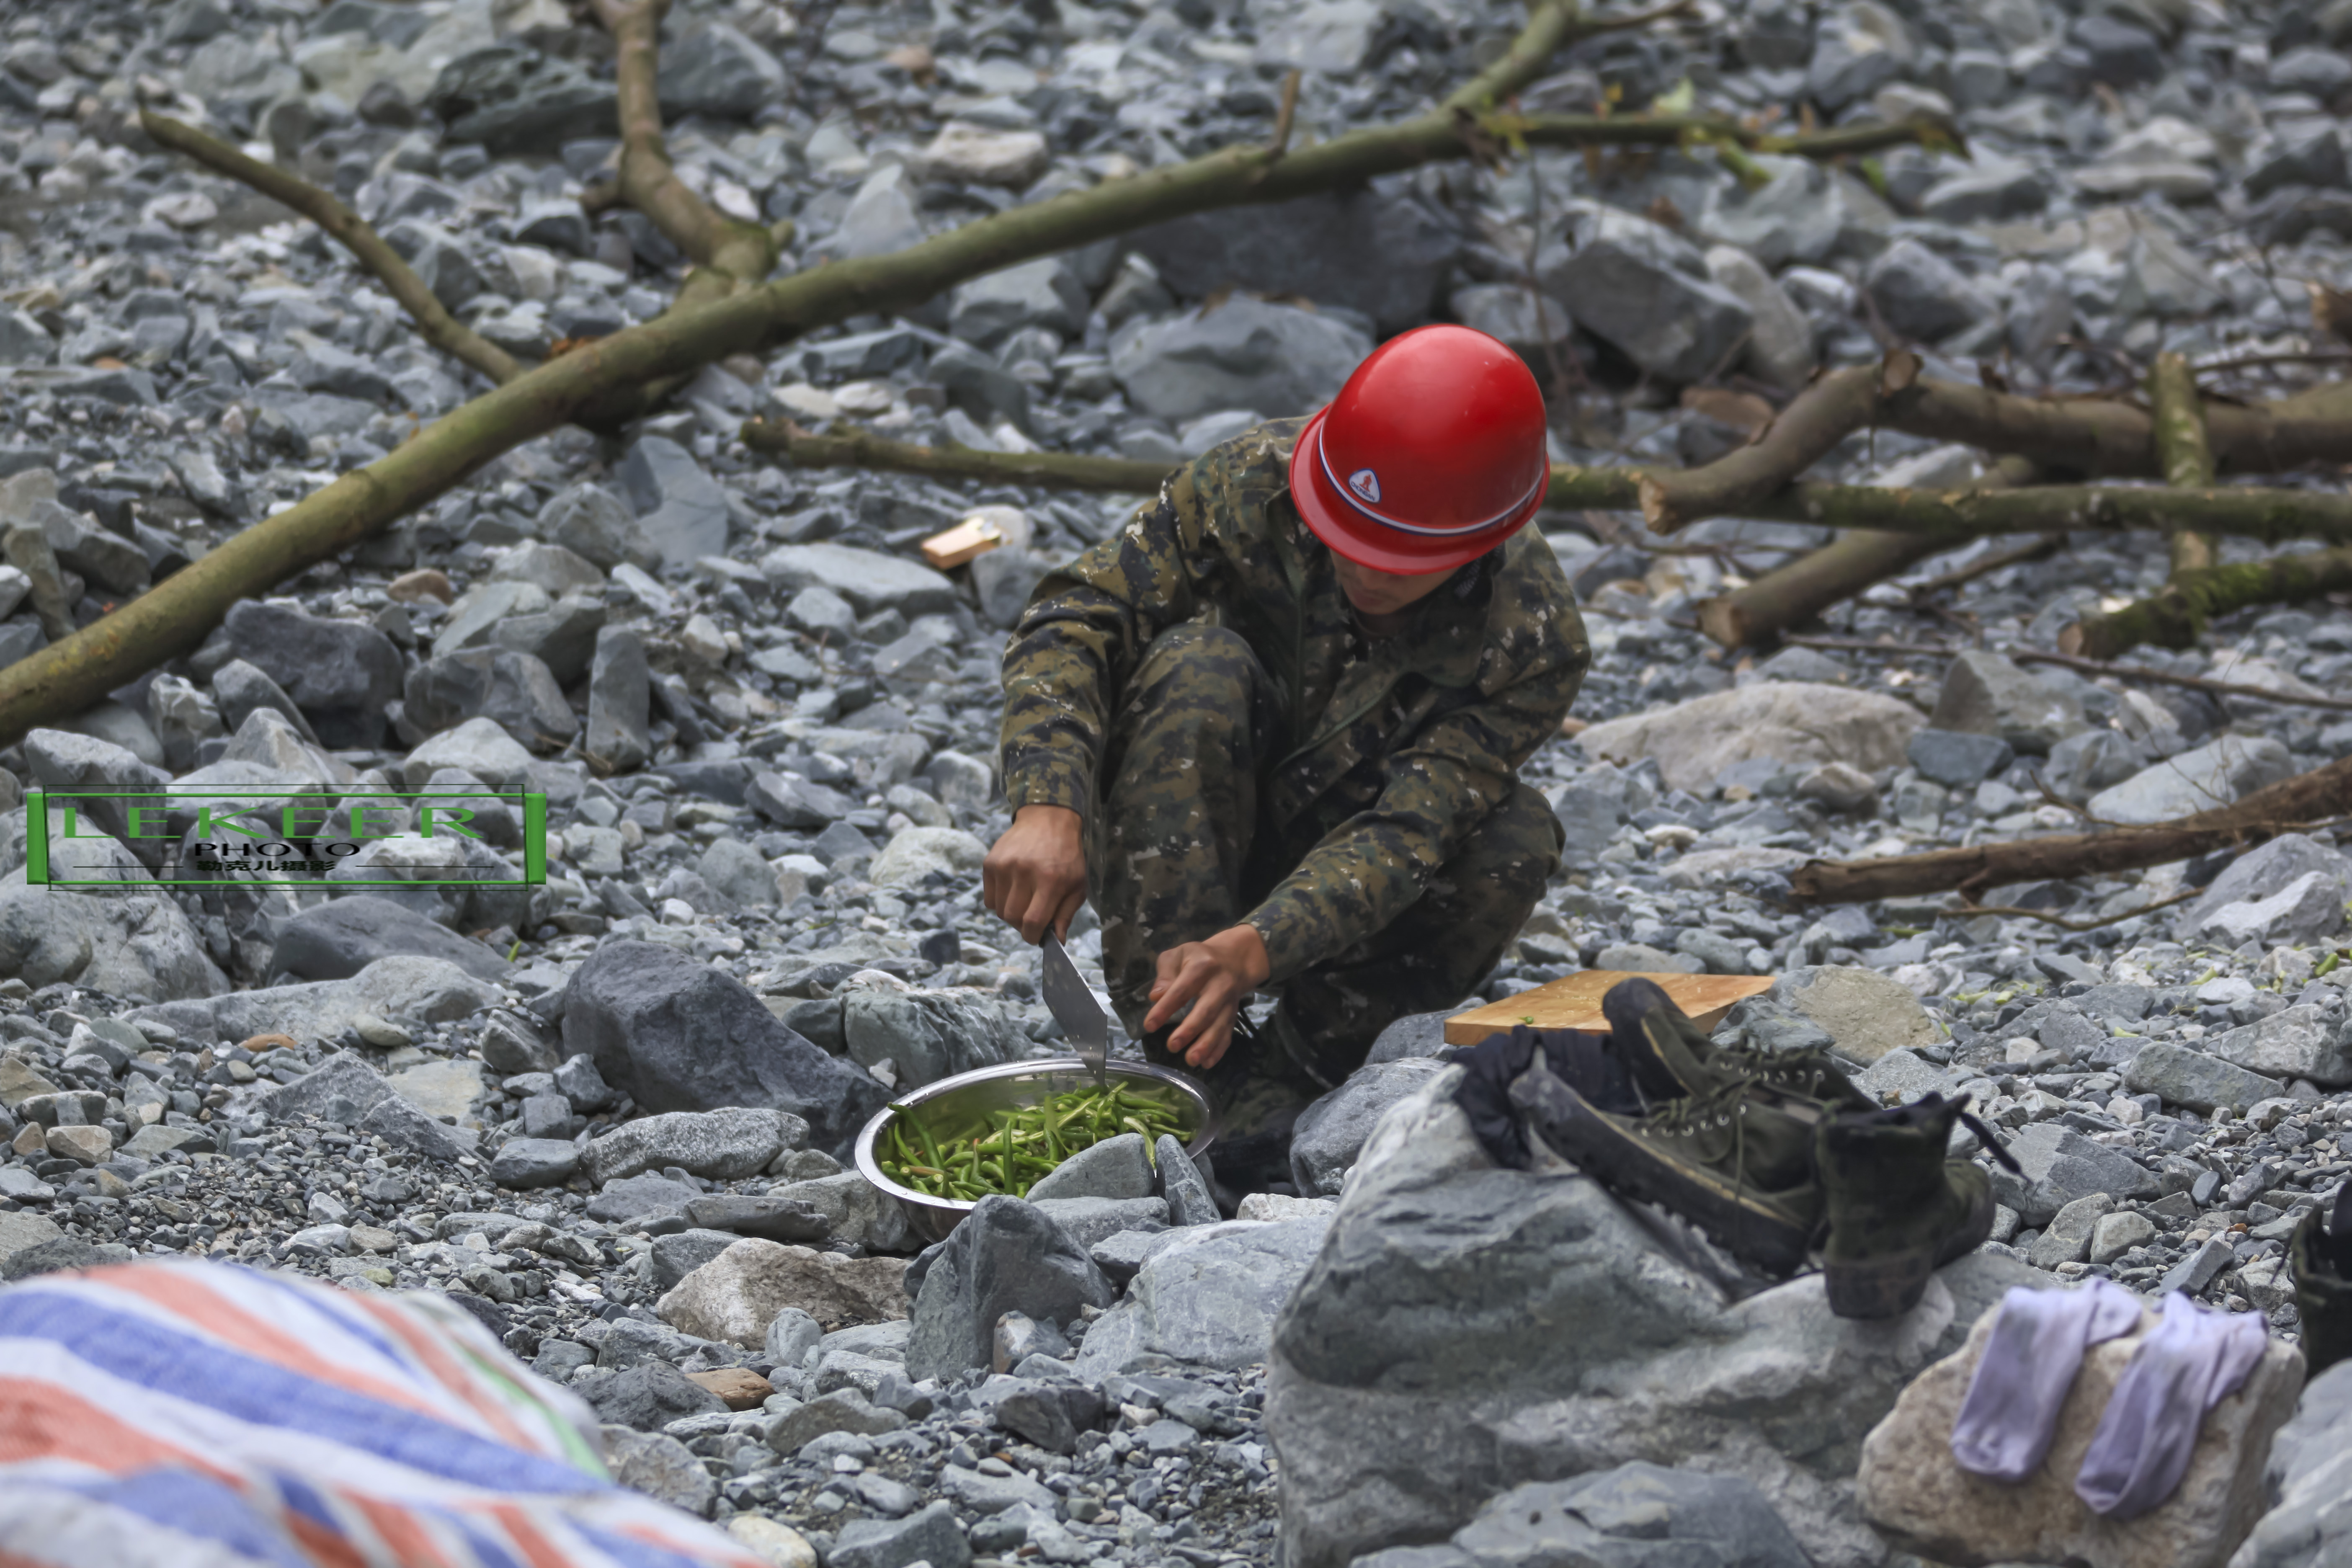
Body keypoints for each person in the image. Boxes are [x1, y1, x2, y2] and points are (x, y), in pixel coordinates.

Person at [982, 324, 1589, 1173]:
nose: (1365, 570)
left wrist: (1261, 945)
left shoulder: (1532, 640)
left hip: (1355, 875)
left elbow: (1410, 832)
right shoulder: (1249, 486)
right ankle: (1179, 1046)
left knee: (1516, 838)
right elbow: (1078, 617)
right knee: (1197, 665)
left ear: (1480, 544)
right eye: (1344, 533)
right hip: (1195, 809)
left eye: (1403, 561)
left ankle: (1300, 1072)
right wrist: (1048, 802)